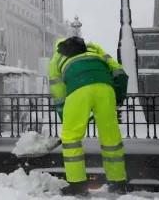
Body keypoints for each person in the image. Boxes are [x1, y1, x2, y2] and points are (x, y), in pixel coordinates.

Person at [48, 36, 129, 196]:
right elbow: (119, 71)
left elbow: (58, 91)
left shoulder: (56, 58)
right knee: (111, 138)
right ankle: (118, 182)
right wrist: (118, 96)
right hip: (105, 88)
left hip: (79, 89)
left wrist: (64, 114)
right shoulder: (96, 49)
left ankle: (77, 185)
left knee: (71, 139)